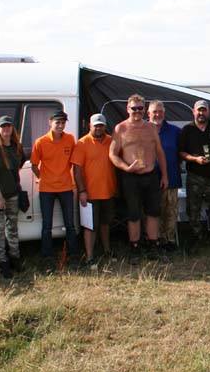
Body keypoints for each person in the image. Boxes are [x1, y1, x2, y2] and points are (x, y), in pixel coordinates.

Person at [109, 94, 168, 260]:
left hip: (151, 176)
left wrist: (164, 175)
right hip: (131, 177)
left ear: (144, 109)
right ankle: (134, 247)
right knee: (133, 213)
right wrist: (126, 168)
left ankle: (153, 245)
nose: (137, 111)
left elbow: (160, 152)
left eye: (140, 108)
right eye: (134, 108)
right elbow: (112, 154)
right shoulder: (120, 128)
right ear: (128, 109)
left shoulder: (151, 128)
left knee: (153, 212)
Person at [31, 110, 79, 268]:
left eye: (63, 123)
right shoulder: (41, 141)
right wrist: (41, 177)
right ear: (50, 122)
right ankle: (47, 256)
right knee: (47, 225)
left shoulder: (70, 139)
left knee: (70, 224)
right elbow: (34, 165)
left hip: (66, 187)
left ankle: (74, 254)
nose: (60, 125)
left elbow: (73, 161)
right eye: (57, 122)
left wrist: (65, 175)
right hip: (46, 189)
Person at [178, 99, 210, 252]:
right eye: (198, 110)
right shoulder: (187, 130)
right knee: (193, 211)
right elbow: (181, 153)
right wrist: (195, 159)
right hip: (195, 177)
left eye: (204, 110)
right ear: (194, 111)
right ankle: (196, 238)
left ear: (208, 112)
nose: (201, 113)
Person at [71, 113, 117, 266]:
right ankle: (90, 257)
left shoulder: (111, 141)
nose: (98, 128)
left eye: (101, 125)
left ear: (105, 126)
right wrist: (82, 191)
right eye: (95, 125)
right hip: (90, 194)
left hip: (108, 192)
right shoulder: (82, 143)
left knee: (105, 224)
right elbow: (77, 170)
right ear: (89, 126)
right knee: (90, 226)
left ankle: (107, 251)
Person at [0, 115, 26, 278]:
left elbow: (21, 162)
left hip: (12, 193)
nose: (6, 129)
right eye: (3, 126)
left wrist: (11, 180)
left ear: (12, 128)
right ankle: (2, 262)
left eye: (8, 126)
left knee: (12, 227)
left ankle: (15, 258)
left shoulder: (17, 146)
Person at [148, 100, 182, 252]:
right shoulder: (143, 130)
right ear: (148, 113)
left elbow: (181, 153)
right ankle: (155, 240)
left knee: (171, 211)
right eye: (154, 111)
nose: (157, 114)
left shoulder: (175, 131)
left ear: (164, 113)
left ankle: (169, 241)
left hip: (172, 178)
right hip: (149, 180)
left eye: (160, 111)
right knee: (154, 211)